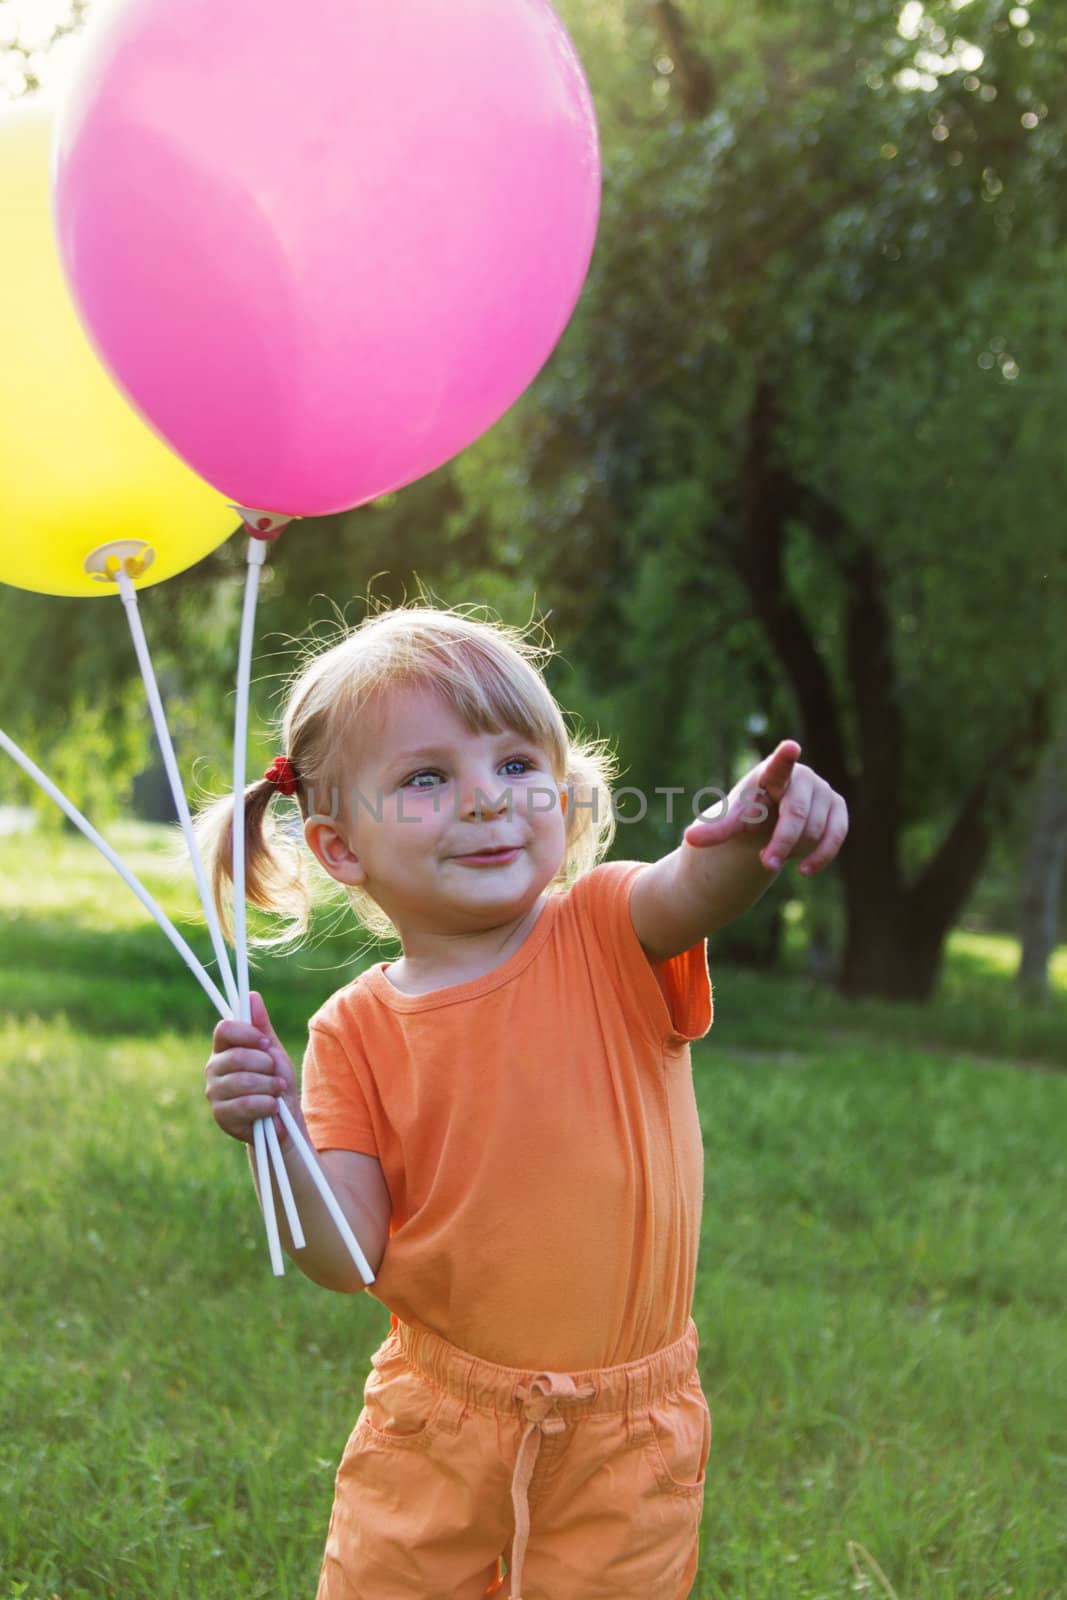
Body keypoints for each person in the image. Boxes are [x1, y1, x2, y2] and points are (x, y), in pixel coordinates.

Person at [201, 601, 848, 1600]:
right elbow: (345, 1254)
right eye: (427, 778)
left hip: (622, 1440)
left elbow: (699, 882)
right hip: (435, 1427)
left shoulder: (605, 930)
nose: (485, 801)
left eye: (514, 764)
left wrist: (755, 819)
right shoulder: (352, 1031)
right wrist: (271, 1134)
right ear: (337, 847)